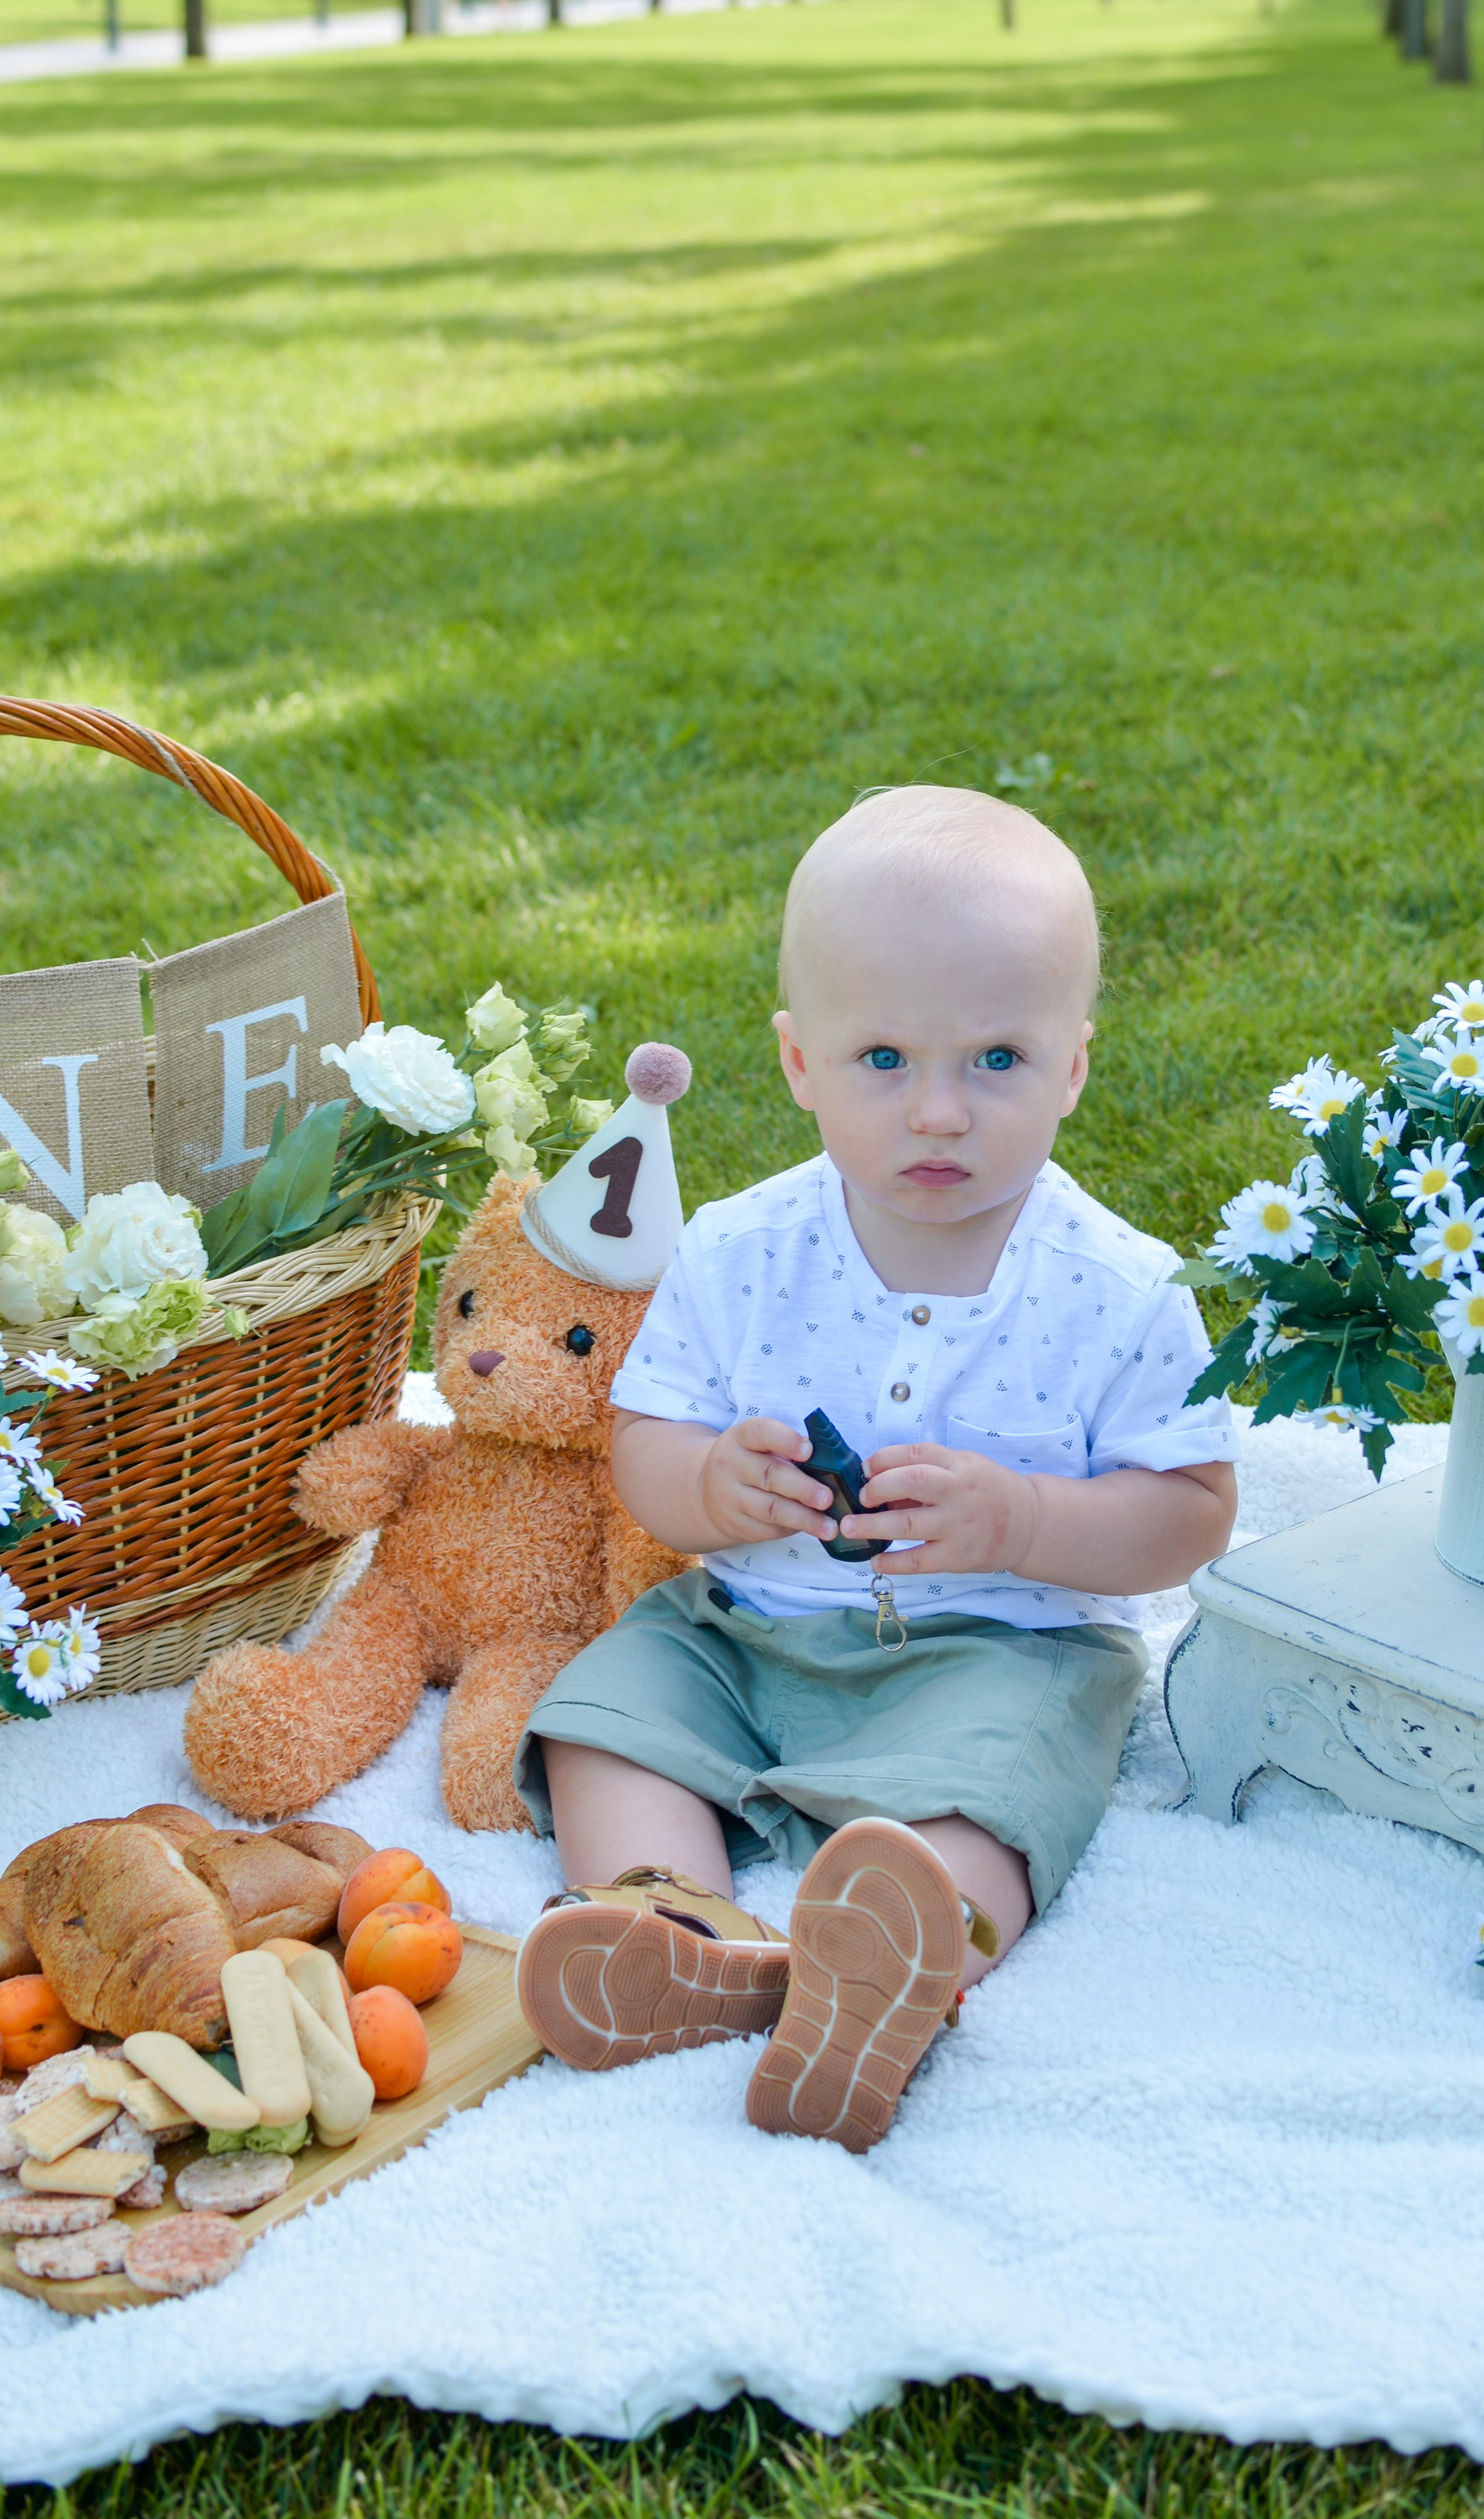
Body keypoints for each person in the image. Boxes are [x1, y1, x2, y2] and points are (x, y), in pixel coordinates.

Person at [513, 785, 1237, 2151]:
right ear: (801, 1061)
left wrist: (1026, 1519)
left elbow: (1191, 1512)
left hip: (998, 1652)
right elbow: (646, 1444)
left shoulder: (1119, 1288)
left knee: (1005, 1787)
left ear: (1075, 1067)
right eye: (886, 1059)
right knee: (609, 1709)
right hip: (748, 1626)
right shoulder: (739, 1250)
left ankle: (905, 1951)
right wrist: (708, 1487)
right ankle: (669, 1921)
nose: (941, 1112)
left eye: (998, 1059)